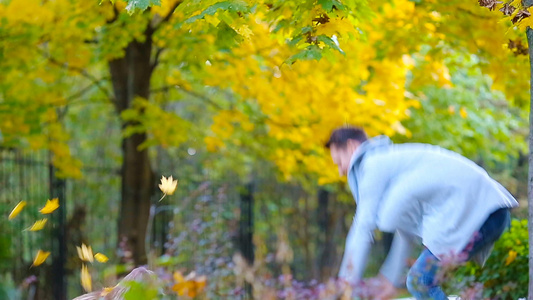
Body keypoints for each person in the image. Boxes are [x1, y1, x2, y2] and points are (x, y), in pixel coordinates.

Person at [326, 126, 518, 300]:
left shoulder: (373, 165)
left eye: (339, 162)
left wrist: (346, 283)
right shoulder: (394, 165)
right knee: (421, 281)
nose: (341, 171)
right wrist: (389, 278)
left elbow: (363, 227)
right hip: (488, 213)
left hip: (480, 214)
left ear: (351, 147)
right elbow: (406, 232)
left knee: (421, 281)